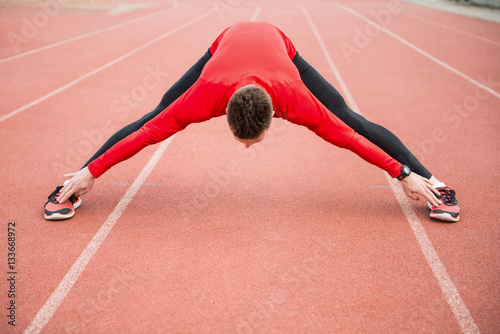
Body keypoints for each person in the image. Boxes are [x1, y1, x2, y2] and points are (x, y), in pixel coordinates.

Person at [44, 21, 459, 222]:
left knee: (352, 116)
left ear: (275, 116)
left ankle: (434, 184)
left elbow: (350, 136)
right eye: (244, 141)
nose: (245, 148)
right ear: (222, 112)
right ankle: (75, 182)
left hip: (280, 45)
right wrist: (94, 170)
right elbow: (148, 133)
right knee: (155, 112)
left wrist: (403, 173)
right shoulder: (203, 93)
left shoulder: (296, 99)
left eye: (252, 142)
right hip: (226, 42)